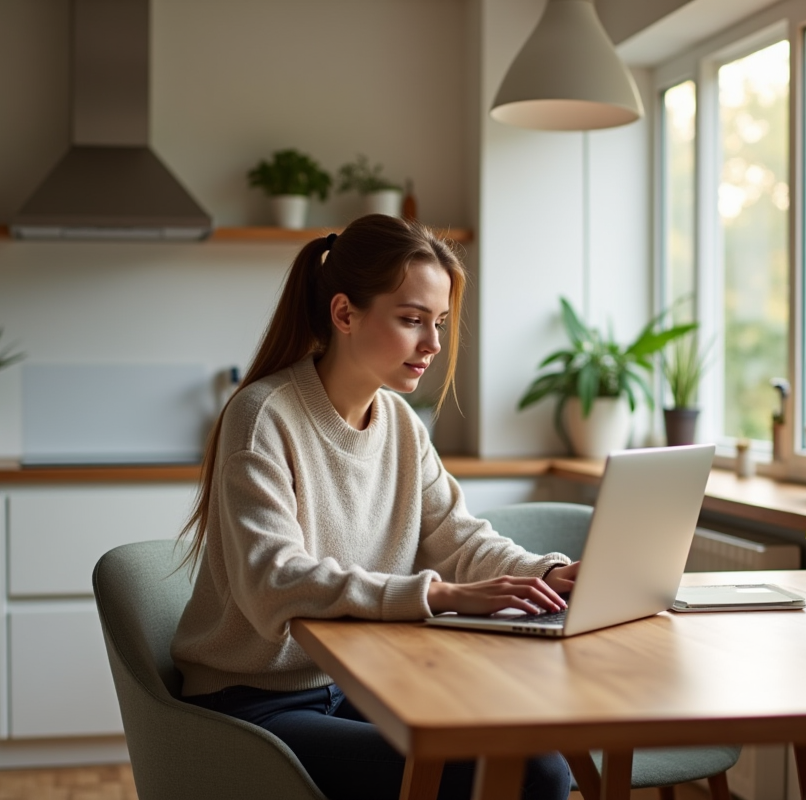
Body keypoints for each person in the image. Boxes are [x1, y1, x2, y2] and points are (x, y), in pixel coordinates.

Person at [171, 214, 579, 800]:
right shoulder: (263, 417)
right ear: (344, 314)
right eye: (412, 320)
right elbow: (273, 582)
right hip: (255, 704)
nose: (433, 344)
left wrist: (547, 573)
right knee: (520, 774)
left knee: (538, 759)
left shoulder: (402, 427)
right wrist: (437, 595)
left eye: (438, 323)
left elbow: (458, 538)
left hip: (360, 686)